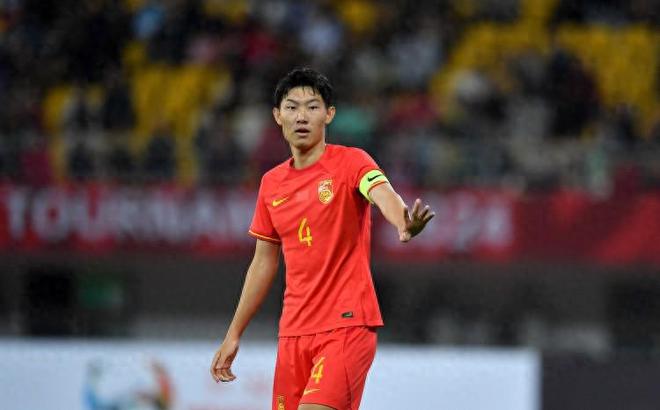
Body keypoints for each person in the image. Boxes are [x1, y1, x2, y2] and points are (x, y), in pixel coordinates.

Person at [210, 67, 435, 410]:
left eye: (312, 107)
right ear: (277, 116)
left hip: (346, 326)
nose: (301, 116)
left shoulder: (351, 162)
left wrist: (402, 222)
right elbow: (263, 262)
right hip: (293, 333)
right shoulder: (271, 183)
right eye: (292, 107)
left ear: (329, 114)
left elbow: (382, 192)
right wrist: (233, 333)